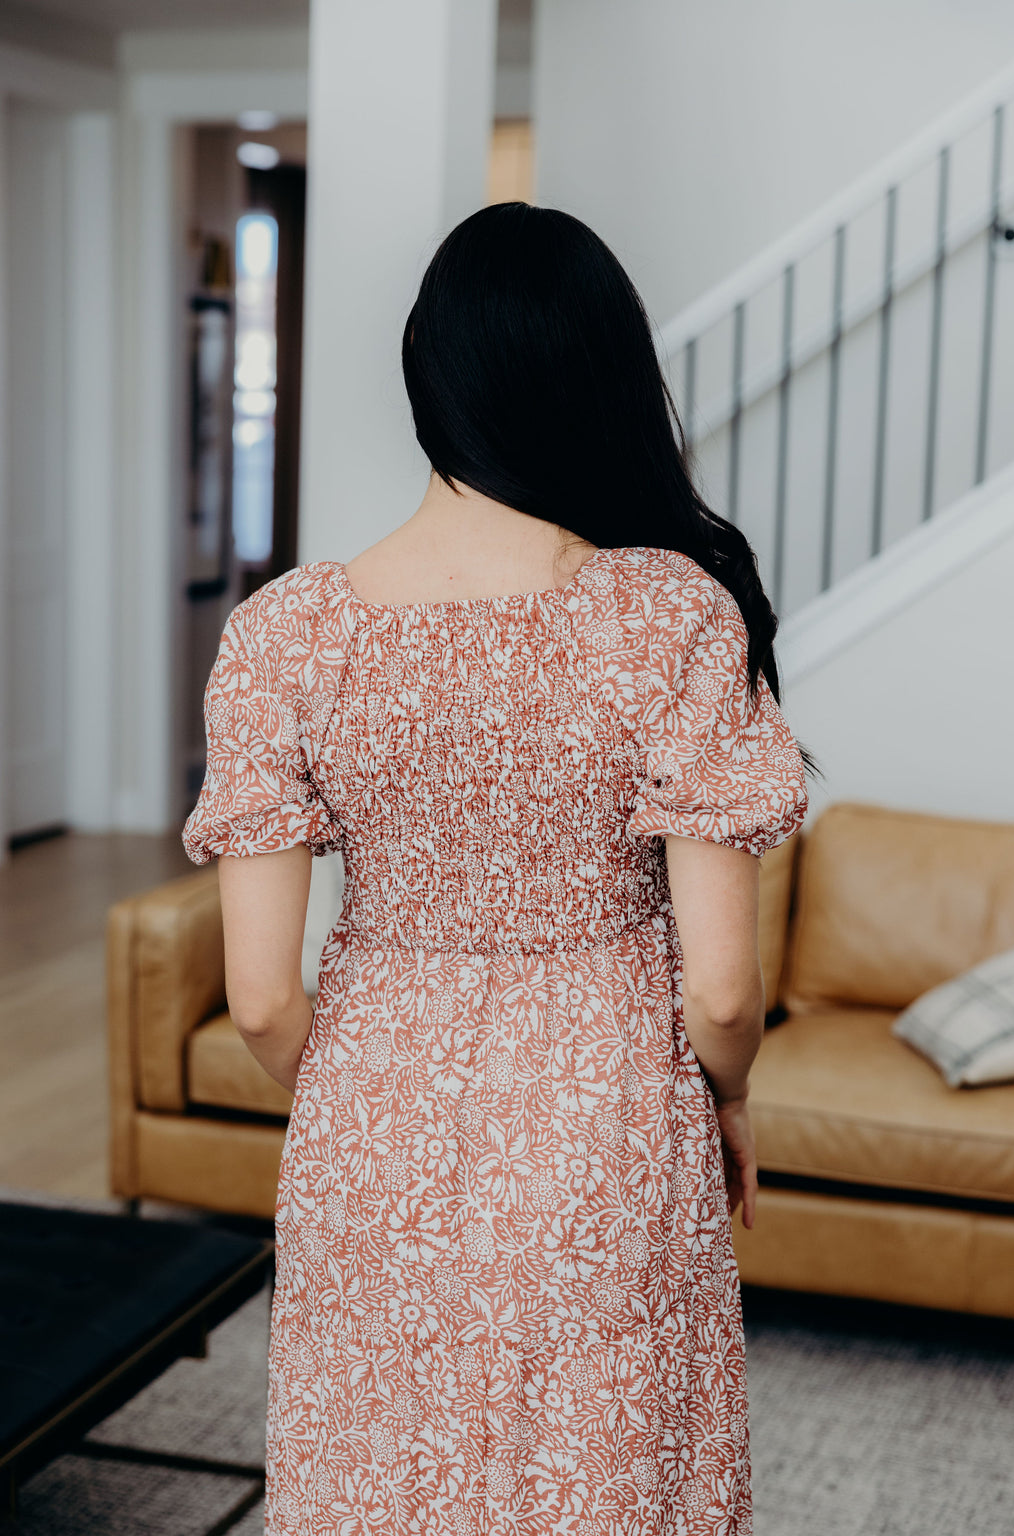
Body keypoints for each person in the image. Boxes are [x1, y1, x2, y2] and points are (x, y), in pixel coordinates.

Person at [183, 202, 808, 1536]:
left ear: (430, 377)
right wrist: (730, 1098)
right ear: (603, 378)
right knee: (603, 1479)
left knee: (384, 1480)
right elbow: (722, 995)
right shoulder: (665, 613)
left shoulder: (285, 635)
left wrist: (383, 1086)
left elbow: (257, 1000)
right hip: (611, 1124)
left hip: (370, 1129)